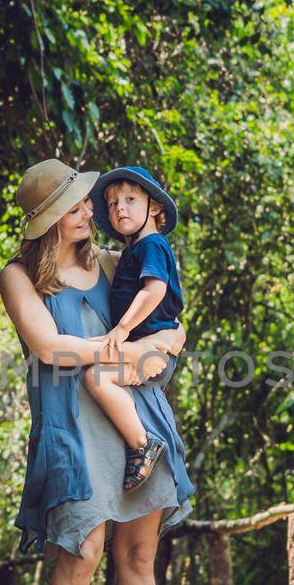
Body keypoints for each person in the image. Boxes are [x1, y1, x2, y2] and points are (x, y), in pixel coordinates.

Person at [0, 158, 195, 585]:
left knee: (138, 555)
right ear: (49, 219)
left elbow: (171, 326)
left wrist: (162, 344)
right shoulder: (21, 276)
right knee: (79, 554)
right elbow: (49, 347)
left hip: (135, 418)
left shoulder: (115, 261)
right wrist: (130, 352)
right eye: (78, 205)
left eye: (90, 202)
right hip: (71, 424)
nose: (92, 211)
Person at [82, 166, 184, 490]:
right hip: (144, 347)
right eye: (112, 204)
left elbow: (154, 290)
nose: (119, 208)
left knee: (95, 378)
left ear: (154, 207)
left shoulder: (153, 244)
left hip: (152, 349)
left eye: (129, 199)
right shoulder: (134, 250)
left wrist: (122, 329)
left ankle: (142, 443)